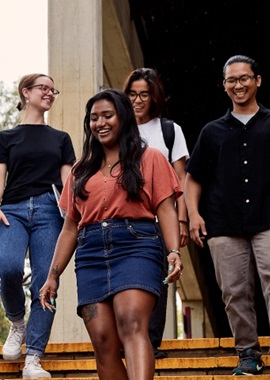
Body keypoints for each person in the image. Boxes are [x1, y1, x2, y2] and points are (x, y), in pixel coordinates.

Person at [40, 89, 183, 380]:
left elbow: (166, 210)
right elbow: (70, 226)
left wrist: (174, 251)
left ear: (123, 118)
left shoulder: (151, 158)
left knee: (131, 323)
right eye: (94, 118)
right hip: (90, 252)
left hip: (137, 246)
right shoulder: (81, 169)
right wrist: (52, 275)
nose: (100, 123)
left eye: (108, 115)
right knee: (103, 341)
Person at [0, 73, 76, 378]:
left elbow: (68, 182)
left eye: (54, 89)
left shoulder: (61, 139)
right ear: (26, 92)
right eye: (43, 88)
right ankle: (16, 322)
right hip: (12, 210)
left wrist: (74, 212)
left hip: (50, 212)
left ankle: (33, 359)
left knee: (45, 280)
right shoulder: (6, 138)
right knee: (7, 267)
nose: (50, 93)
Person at [186, 54, 270, 376]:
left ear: (257, 80)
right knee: (234, 291)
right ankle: (248, 353)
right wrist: (193, 214)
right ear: (224, 86)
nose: (238, 85)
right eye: (232, 80)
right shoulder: (212, 132)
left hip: (266, 219)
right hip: (223, 224)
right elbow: (193, 177)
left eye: (244, 78)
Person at [123, 67, 190, 359]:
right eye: (132, 94)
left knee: (159, 280)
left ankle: (151, 342)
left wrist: (183, 219)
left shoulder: (169, 130)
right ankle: (128, 339)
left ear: (154, 97)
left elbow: (182, 180)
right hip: (123, 219)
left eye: (144, 95)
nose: (138, 101)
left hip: (160, 219)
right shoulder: (119, 128)